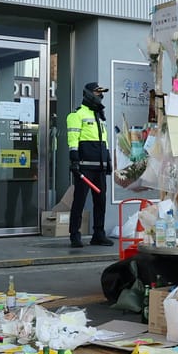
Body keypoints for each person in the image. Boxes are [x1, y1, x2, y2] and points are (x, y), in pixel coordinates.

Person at [63, 82, 113, 247]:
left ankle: (98, 234)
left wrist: (108, 161)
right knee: (79, 201)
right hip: (84, 166)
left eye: (102, 92)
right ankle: (74, 235)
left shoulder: (99, 116)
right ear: (89, 93)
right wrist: (74, 160)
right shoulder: (77, 115)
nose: (101, 95)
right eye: (98, 92)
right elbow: (73, 139)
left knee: (101, 202)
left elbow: (104, 141)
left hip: (99, 166)